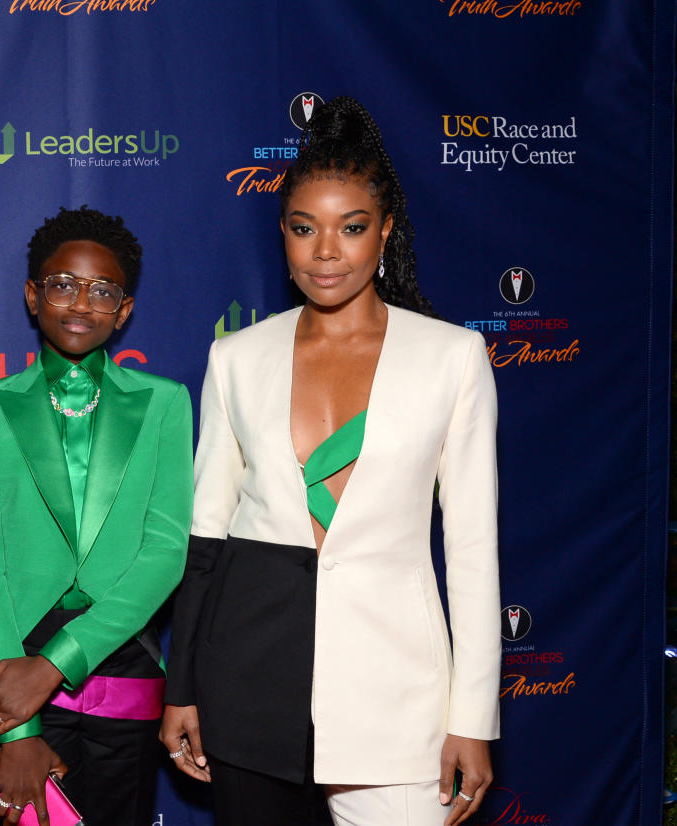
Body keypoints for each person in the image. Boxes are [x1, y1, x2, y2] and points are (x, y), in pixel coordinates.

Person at [159, 97, 500, 826]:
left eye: (351, 229)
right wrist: (181, 687)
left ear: (385, 233)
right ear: (281, 234)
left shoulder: (453, 359)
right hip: (249, 684)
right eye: (303, 228)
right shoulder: (236, 359)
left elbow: (472, 551)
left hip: (399, 698)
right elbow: (206, 540)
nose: (325, 252)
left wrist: (473, 715)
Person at [0, 206, 193, 826]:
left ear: (125, 308)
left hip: (125, 664)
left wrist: (58, 662)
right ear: (33, 296)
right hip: (14, 680)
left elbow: (165, 553)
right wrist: (15, 730)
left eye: (102, 290)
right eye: (62, 284)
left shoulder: (166, 404)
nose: (81, 303)